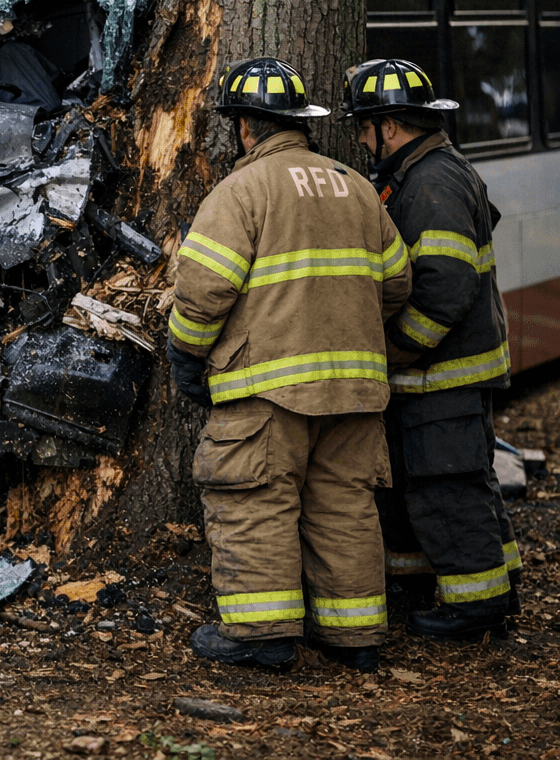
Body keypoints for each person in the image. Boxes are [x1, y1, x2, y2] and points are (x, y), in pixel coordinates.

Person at [166, 57, 411, 673]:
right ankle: (353, 637)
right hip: (356, 391)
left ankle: (261, 635)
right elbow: (398, 284)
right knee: (344, 505)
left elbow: (203, 291)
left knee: (256, 500)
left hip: (266, 390)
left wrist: (185, 353)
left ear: (246, 126)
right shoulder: (355, 185)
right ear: (300, 123)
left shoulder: (242, 191)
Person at [341, 58, 519, 640]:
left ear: (389, 126)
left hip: (441, 374)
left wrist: (394, 353)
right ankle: (464, 587)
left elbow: (445, 288)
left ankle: (475, 607)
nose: (362, 142)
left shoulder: (432, 182)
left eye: (363, 129)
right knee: (444, 484)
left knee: (446, 487)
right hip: (443, 376)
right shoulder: (428, 170)